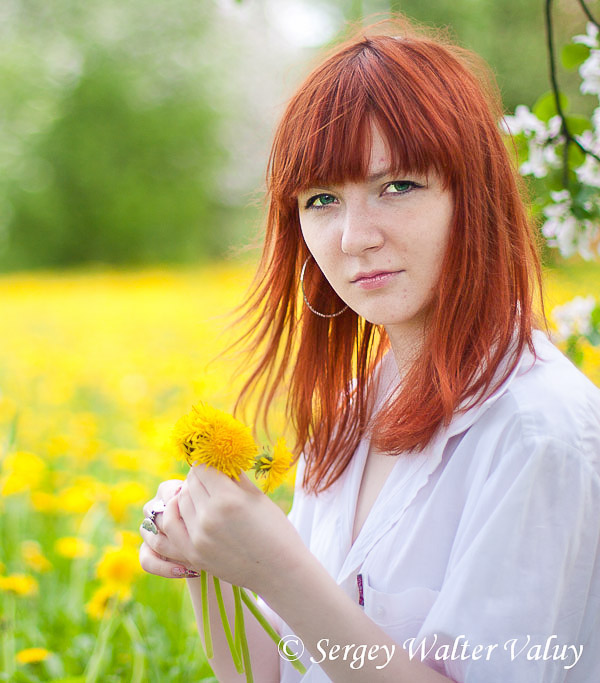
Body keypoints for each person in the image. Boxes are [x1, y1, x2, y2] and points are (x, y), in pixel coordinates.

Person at [138, 19, 600, 683]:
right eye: (323, 199)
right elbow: (273, 672)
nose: (355, 237)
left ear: (473, 195)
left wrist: (279, 569)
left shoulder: (537, 431)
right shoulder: (357, 407)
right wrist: (208, 559)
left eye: (398, 186)